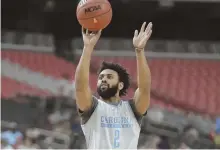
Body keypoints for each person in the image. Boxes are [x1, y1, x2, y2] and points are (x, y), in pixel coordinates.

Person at [74, 22, 152, 149]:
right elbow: (80, 86)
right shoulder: (92, 108)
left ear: (120, 85)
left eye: (109, 77)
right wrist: (87, 48)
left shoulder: (133, 109)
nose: (103, 79)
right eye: (101, 78)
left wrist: (139, 51)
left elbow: (145, 88)